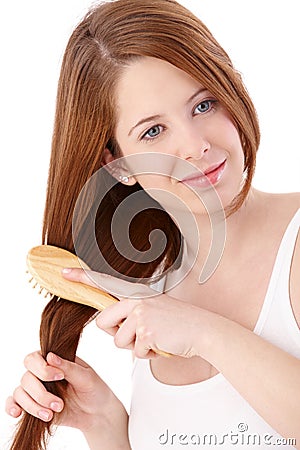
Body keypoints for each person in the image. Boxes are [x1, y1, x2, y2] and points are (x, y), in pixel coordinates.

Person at [5, 0, 300, 449]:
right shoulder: (150, 296)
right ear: (118, 163)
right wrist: (106, 426)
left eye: (203, 104)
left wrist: (206, 332)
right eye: (153, 132)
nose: (195, 145)